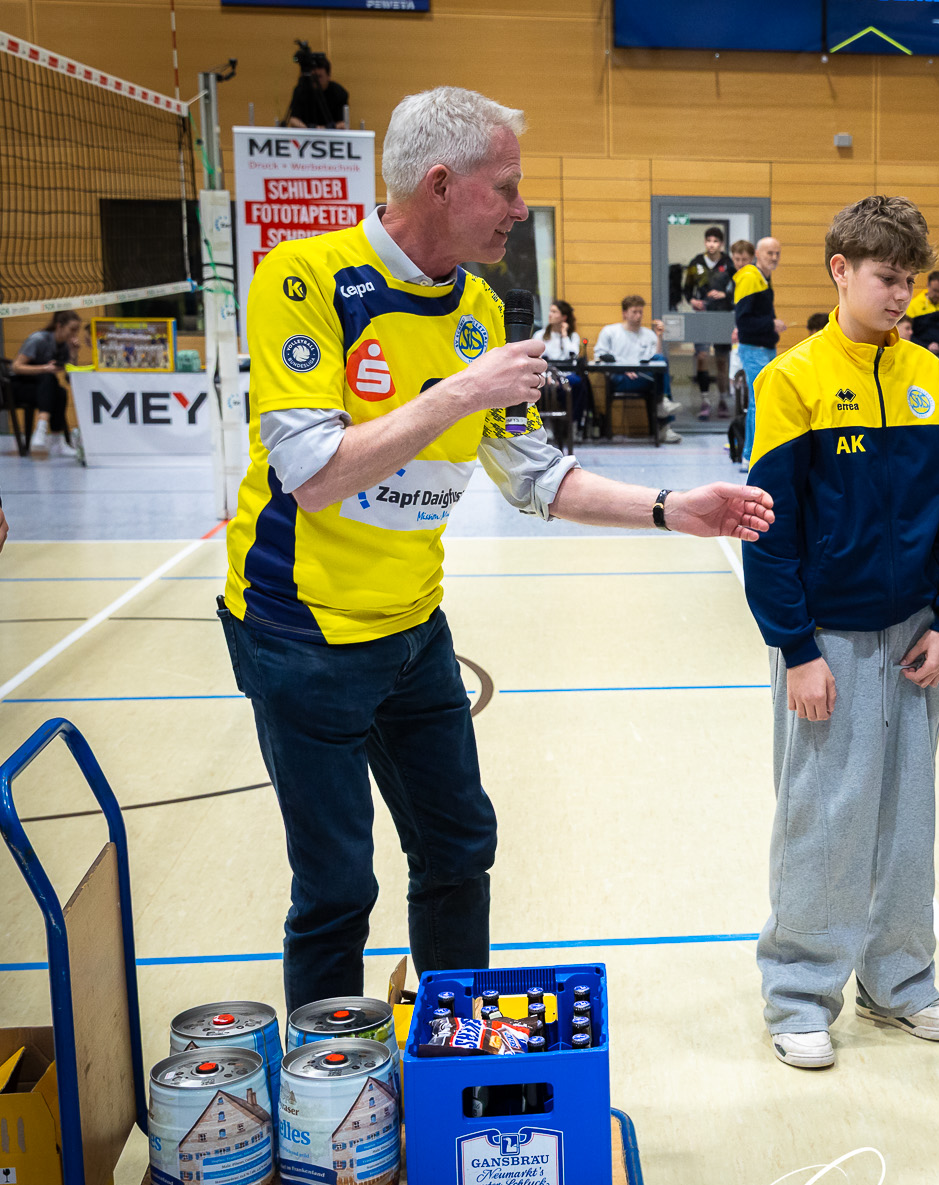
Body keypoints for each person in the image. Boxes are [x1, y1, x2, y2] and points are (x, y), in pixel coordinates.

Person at [220, 87, 774, 1012]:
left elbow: (534, 474)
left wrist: (673, 507)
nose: (520, 210)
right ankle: (332, 1109)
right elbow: (313, 472)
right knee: (335, 888)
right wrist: (458, 391)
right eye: (507, 187)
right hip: (297, 634)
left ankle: (450, 1058)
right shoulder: (303, 278)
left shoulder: (479, 305)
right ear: (440, 185)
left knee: (459, 846)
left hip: (411, 629)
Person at [742, 195, 939, 1071]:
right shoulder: (791, 380)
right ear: (841, 270)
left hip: (916, 634)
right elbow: (767, 530)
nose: (902, 297)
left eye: (911, 281)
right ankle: (800, 992)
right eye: (887, 278)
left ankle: (899, 981)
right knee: (825, 816)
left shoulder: (926, 377)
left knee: (905, 816)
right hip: (827, 640)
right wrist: (797, 647)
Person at [593, 295, 679, 443]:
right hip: (620, 378)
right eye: (634, 312)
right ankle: (664, 421)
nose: (638, 316)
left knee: (661, 362)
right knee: (660, 382)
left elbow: (656, 359)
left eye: (641, 312)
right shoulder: (610, 332)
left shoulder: (649, 334)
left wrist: (659, 337)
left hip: (643, 376)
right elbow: (599, 356)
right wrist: (622, 369)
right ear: (624, 313)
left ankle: (662, 402)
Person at [733, 235, 787, 463]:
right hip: (753, 349)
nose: (774, 258)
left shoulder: (764, 278)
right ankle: (751, 455)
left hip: (765, 347)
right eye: (769, 253)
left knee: (762, 402)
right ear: (757, 254)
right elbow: (743, 321)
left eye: (777, 253)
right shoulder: (749, 278)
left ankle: (753, 453)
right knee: (758, 402)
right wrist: (771, 324)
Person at [682, 225, 738, 420]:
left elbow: (739, 287)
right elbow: (687, 288)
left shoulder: (729, 263)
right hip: (702, 316)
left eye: (715, 241)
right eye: (709, 241)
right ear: (705, 242)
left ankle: (723, 400)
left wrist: (725, 294)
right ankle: (705, 401)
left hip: (722, 315)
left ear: (721, 244)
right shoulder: (696, 262)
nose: (711, 245)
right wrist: (692, 300)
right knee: (702, 357)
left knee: (722, 361)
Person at [13, 310, 82, 460]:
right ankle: (42, 429)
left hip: (42, 390)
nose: (74, 333)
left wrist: (73, 353)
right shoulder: (38, 339)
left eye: (77, 330)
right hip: (18, 388)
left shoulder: (64, 346)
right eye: (72, 329)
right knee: (47, 378)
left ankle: (55, 442)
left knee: (61, 392)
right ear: (59, 326)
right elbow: (16, 367)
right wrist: (44, 368)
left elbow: (69, 378)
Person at [538, 299, 591, 437]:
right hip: (546, 375)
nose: (550, 314)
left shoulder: (572, 336)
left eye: (554, 312)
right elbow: (536, 359)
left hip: (566, 375)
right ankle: (545, 424)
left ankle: (573, 424)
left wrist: (564, 335)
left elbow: (572, 356)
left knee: (578, 384)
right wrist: (546, 375)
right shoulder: (540, 335)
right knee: (541, 386)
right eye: (550, 311)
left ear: (564, 317)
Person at [285, 42, 348, 130]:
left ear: (328, 76)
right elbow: (293, 120)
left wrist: (323, 128)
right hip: (305, 135)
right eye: (313, 76)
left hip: (332, 136)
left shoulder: (339, 92)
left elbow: (342, 124)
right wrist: (310, 129)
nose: (315, 80)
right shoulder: (301, 90)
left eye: (319, 77)